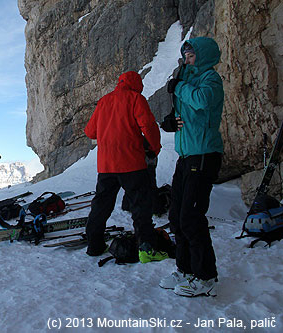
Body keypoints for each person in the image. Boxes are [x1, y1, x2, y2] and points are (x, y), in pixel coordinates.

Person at [159, 37, 224, 297]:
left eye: (191, 55)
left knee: (191, 217)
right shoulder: (188, 80)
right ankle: (185, 269)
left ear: (203, 55)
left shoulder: (210, 79)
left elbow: (202, 101)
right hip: (186, 155)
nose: (187, 59)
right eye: (185, 55)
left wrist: (180, 86)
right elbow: (188, 115)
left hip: (204, 154)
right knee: (176, 216)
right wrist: (171, 123)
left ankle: (206, 276)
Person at [84, 70, 166, 263]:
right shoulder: (135, 98)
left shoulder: (104, 101)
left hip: (106, 166)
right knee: (141, 206)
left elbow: (90, 132)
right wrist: (154, 149)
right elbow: (149, 125)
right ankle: (146, 248)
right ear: (137, 84)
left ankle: (94, 246)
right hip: (132, 163)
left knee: (101, 205)